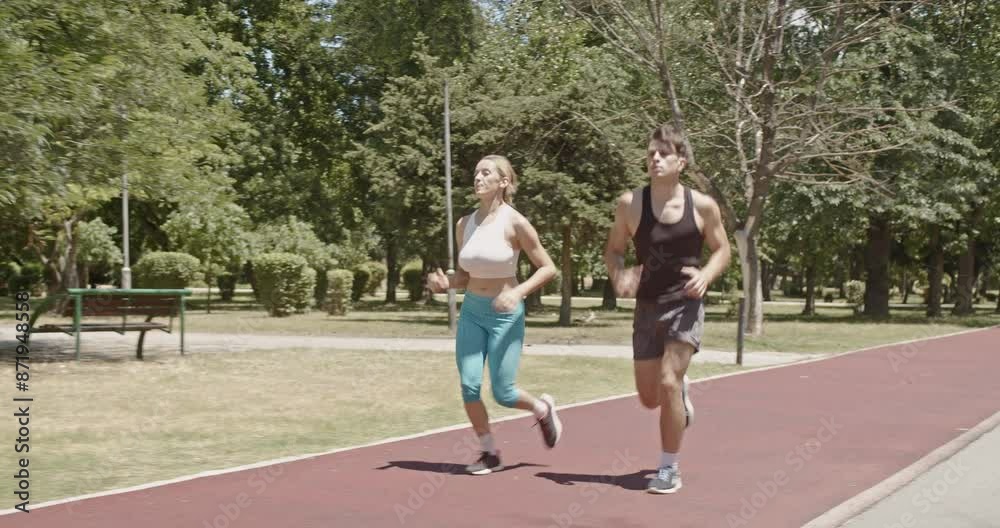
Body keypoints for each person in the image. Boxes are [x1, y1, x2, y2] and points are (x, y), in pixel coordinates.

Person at [603, 124, 731, 494]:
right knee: (648, 398)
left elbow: (722, 249)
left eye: (663, 154)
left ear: (682, 161)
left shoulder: (702, 206)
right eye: (650, 154)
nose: (655, 159)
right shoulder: (631, 204)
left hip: (684, 304)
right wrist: (619, 275)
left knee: (667, 382)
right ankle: (680, 398)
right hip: (647, 306)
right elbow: (613, 250)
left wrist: (706, 275)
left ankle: (668, 468)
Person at [426, 154, 562, 475]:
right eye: (475, 173)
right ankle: (489, 453)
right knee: (469, 386)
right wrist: (446, 284)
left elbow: (548, 268)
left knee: (503, 392)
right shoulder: (464, 224)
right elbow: (465, 276)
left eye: (486, 173)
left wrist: (516, 293)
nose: (478, 178)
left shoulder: (515, 222)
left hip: (505, 314)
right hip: (472, 311)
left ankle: (542, 409)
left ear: (503, 182)